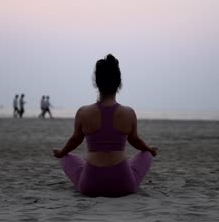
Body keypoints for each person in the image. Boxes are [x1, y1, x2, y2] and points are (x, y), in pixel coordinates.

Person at [52, 54, 158, 197]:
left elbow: (75, 140)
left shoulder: (83, 112)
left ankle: (75, 165)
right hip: (123, 184)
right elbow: (135, 141)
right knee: (146, 155)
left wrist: (61, 153)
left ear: (96, 83)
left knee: (67, 157)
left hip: (91, 185)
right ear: (119, 83)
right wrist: (148, 149)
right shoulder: (129, 113)